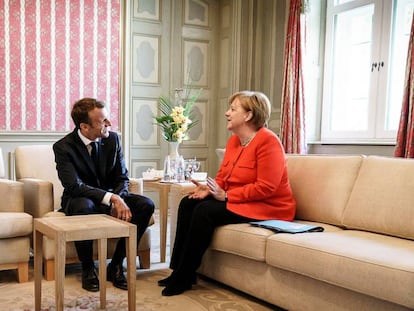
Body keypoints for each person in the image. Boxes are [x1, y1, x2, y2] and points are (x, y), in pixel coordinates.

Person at [159, 91, 296, 296]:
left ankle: (185, 274)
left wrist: (228, 196)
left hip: (268, 206)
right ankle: (178, 270)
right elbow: (224, 176)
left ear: (248, 115)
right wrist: (209, 188)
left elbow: (267, 187)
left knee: (204, 211)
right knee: (188, 202)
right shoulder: (234, 141)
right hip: (242, 201)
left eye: (233, 109)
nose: (227, 113)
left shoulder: (269, 141)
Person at [53, 98, 154, 292]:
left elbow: (122, 178)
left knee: (146, 205)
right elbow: (74, 186)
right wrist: (112, 200)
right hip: (79, 199)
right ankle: (88, 268)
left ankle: (116, 265)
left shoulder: (113, 139)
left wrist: (119, 198)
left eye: (107, 118)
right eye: (103, 121)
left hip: (112, 196)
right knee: (85, 207)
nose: (109, 124)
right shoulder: (63, 147)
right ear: (84, 126)